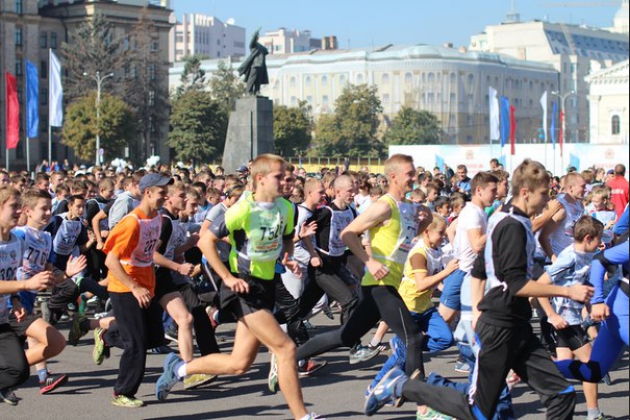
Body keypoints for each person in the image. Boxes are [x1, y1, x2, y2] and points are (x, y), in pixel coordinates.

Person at [366, 159, 594, 420]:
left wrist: (476, 312)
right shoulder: (511, 225)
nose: (548, 201)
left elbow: (479, 271)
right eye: (544, 194)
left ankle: (422, 385)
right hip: (499, 326)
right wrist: (568, 292)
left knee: (561, 394)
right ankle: (403, 386)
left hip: (516, 324)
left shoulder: (507, 219)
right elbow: (515, 283)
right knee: (480, 411)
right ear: (525, 192)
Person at [155, 154, 325, 420]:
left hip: (266, 287)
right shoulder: (242, 209)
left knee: (239, 364)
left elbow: (285, 238)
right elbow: (205, 241)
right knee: (286, 348)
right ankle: (302, 416)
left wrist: (287, 257)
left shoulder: (287, 208)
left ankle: (179, 369)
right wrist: (227, 277)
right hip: (242, 286)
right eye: (279, 177)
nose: (287, 181)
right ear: (260, 179)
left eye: (287, 176)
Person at [294, 154, 432, 387]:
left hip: (387, 283)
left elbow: (405, 239)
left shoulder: (408, 207)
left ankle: (288, 357)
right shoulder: (384, 205)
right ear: (393, 176)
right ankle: (419, 395)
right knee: (414, 337)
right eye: (409, 174)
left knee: (345, 336)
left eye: (414, 173)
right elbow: (348, 233)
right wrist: (370, 261)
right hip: (380, 285)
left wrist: (425, 222)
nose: (413, 178)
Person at [368, 214, 456, 419]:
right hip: (409, 307)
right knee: (402, 356)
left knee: (445, 338)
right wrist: (447, 272)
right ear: (427, 232)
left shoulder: (436, 250)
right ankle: (375, 386)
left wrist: (445, 287)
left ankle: (406, 346)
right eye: (440, 233)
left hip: (425, 307)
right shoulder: (418, 253)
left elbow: (433, 279)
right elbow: (422, 283)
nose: (443, 237)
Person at [103, 173, 172, 408]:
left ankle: (107, 333)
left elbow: (148, 255)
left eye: (166, 192)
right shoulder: (131, 222)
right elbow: (111, 260)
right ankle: (122, 392)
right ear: (148, 192)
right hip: (125, 287)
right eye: (162, 192)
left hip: (145, 286)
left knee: (155, 337)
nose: (165, 196)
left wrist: (148, 285)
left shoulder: (158, 218)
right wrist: (134, 287)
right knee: (136, 344)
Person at [11, 189, 86, 395]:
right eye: (43, 209)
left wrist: (68, 273)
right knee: (48, 341)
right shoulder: (19, 235)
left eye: (50, 208)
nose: (48, 213)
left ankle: (43, 377)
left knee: (39, 339)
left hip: (26, 302)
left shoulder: (46, 238)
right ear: (27, 210)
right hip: (11, 301)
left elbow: (48, 279)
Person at [537, 216, 609, 420]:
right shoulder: (569, 257)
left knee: (563, 365)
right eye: (599, 238)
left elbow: (583, 286)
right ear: (588, 238)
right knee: (592, 365)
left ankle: (535, 367)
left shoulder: (587, 255)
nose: (600, 242)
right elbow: (540, 287)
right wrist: (552, 316)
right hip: (566, 320)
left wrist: (592, 309)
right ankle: (594, 414)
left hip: (573, 317)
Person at [0, 186, 54, 405]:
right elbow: (20, 280)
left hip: (4, 317)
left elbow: (11, 275)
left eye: (19, 206)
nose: (18, 211)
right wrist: (26, 284)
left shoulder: (17, 241)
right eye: (13, 206)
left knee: (20, 370)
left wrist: (15, 300)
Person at [555, 240, 629, 383]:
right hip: (621, 313)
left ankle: (530, 366)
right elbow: (599, 260)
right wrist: (597, 301)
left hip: (618, 312)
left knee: (591, 372)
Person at [540, 172, 586, 262]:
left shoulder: (580, 205)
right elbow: (543, 236)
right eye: (583, 186)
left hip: (574, 258)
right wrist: (554, 260)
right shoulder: (560, 207)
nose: (585, 190)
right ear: (570, 188)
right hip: (559, 258)